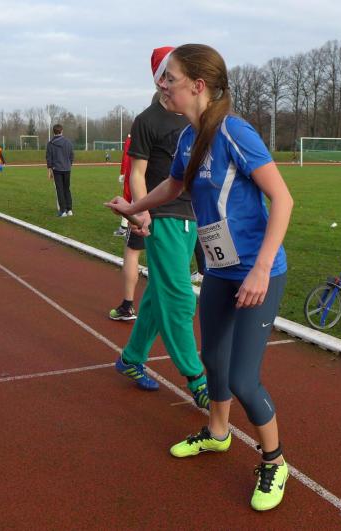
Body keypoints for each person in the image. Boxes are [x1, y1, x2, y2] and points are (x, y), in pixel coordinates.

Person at [109, 43, 294, 512]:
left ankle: (274, 461)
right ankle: (217, 432)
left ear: (198, 85)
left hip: (257, 273)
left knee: (243, 379)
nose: (161, 85)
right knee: (212, 358)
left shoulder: (235, 132)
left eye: (169, 77)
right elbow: (174, 185)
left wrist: (260, 269)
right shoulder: (189, 139)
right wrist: (134, 208)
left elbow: (283, 199)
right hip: (219, 270)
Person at [110, 46, 210, 413]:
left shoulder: (194, 117)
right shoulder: (147, 120)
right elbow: (136, 174)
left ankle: (131, 358)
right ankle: (197, 380)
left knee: (157, 296)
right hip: (163, 216)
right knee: (181, 297)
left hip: (191, 217)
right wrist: (143, 213)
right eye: (169, 73)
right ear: (160, 79)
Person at [109, 133, 142, 320]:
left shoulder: (142, 131)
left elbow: (134, 169)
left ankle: (128, 305)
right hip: (178, 209)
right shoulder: (184, 132)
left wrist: (130, 206)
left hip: (144, 204)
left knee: (132, 252)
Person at [46, 124, 74, 217]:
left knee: (60, 190)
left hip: (57, 169)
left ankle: (63, 211)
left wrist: (49, 169)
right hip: (67, 169)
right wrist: (69, 164)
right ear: (61, 131)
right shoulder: (68, 142)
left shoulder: (50, 144)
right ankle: (69, 210)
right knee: (67, 189)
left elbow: (49, 157)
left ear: (53, 132)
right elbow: (71, 155)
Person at [113, 134, 132, 238]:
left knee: (127, 198)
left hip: (132, 171)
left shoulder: (131, 138)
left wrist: (122, 172)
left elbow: (126, 156)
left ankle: (124, 227)